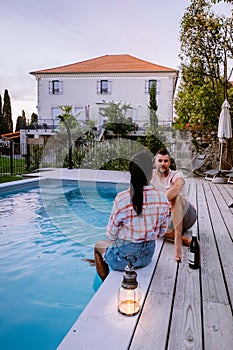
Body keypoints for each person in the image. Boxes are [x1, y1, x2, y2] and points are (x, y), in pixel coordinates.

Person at [94, 151, 169, 281]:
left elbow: (110, 235)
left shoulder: (122, 198)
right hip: (147, 257)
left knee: (98, 247)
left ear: (131, 174)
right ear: (151, 174)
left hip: (124, 260)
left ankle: (105, 281)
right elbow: (162, 232)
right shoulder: (162, 198)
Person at [151, 148, 197, 262]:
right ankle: (185, 240)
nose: (162, 164)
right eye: (160, 161)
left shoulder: (176, 174)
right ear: (155, 162)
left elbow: (177, 186)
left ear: (170, 162)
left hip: (187, 215)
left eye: (165, 161)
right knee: (153, 228)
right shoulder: (151, 176)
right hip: (167, 217)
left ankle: (178, 241)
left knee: (175, 197)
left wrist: (162, 202)